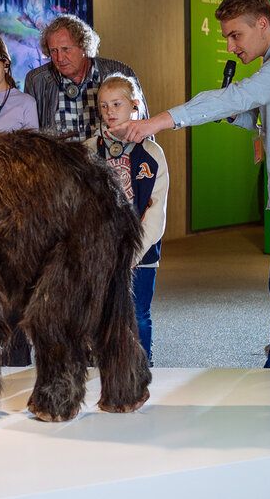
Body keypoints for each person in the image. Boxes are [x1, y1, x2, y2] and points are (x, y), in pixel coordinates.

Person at [115, 0, 270, 368]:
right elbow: (257, 114)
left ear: (261, 23)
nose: (231, 47)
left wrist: (155, 122)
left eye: (235, 35)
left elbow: (239, 96)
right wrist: (238, 113)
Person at [83, 74, 168, 363]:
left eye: (116, 104)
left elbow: (156, 211)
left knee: (138, 313)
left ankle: (142, 365)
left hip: (141, 255)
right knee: (101, 312)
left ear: (134, 106)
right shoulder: (89, 151)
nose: (109, 112)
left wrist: (134, 249)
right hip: (101, 252)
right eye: (103, 106)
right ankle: (106, 365)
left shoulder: (152, 153)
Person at [23, 14, 144, 140]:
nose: (59, 58)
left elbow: (143, 126)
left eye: (66, 49)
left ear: (84, 46)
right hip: (59, 159)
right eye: (54, 51)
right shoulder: (36, 80)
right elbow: (31, 139)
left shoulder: (121, 72)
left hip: (113, 158)